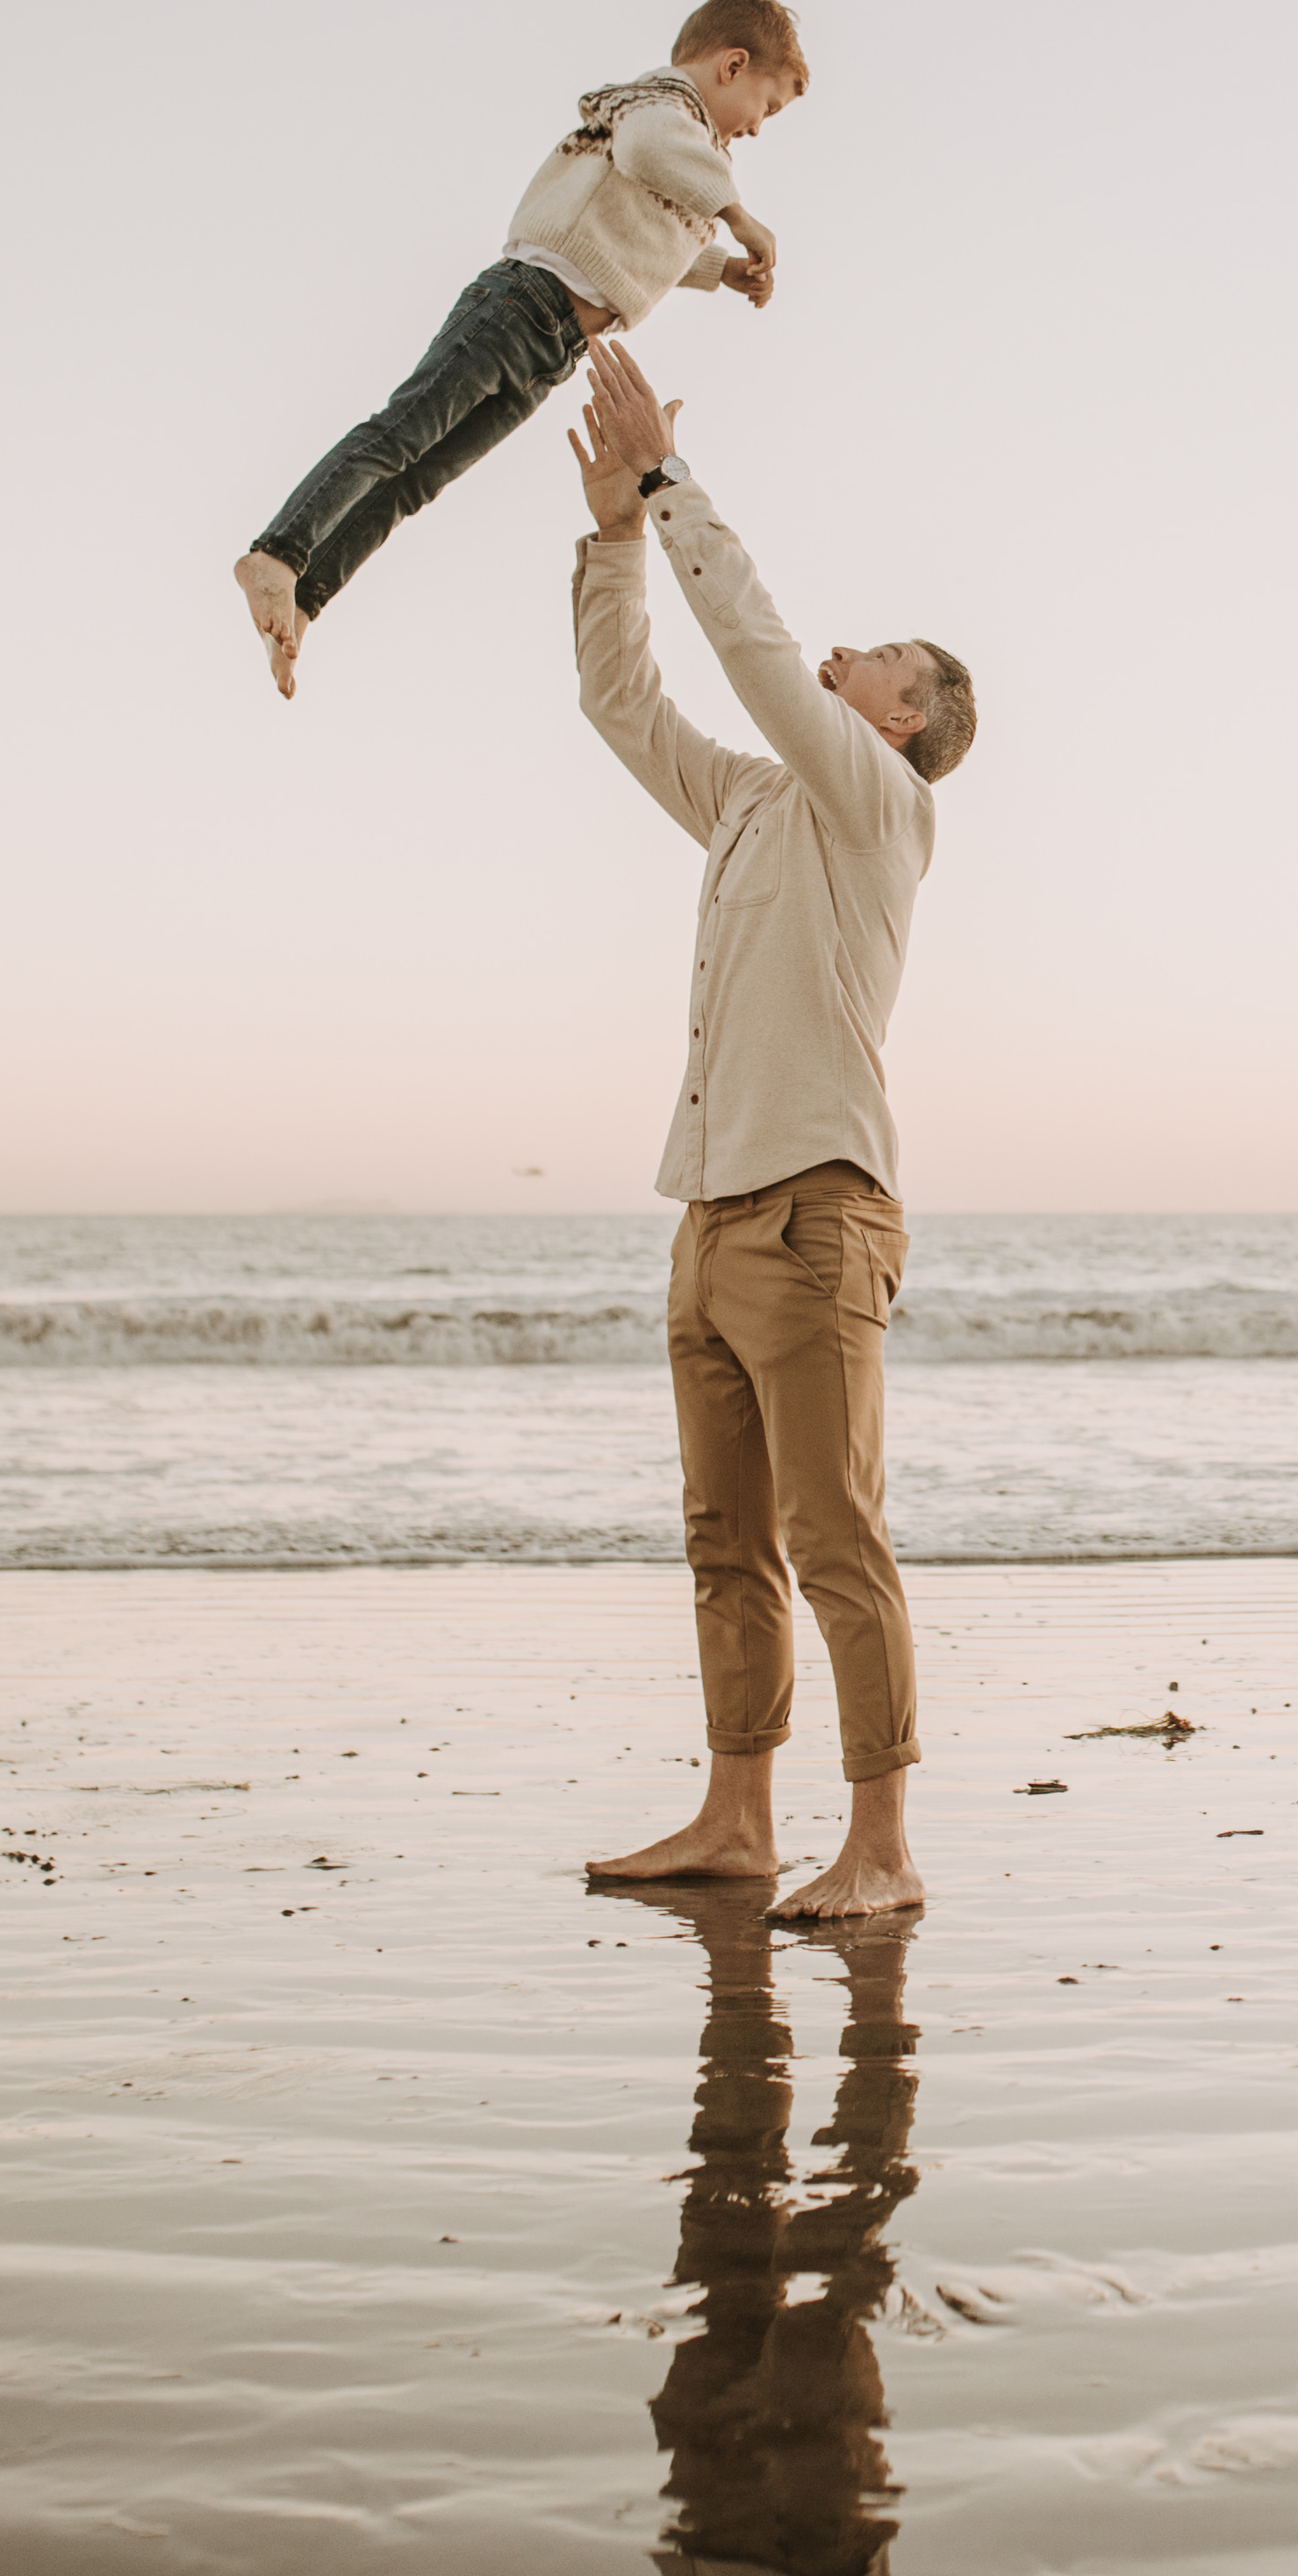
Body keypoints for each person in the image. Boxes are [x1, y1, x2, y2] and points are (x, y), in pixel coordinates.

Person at [560, 336, 978, 1923]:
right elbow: (621, 696)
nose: (855, 649)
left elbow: (746, 643)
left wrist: (670, 477)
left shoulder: (885, 806)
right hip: (710, 1218)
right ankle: (738, 1817)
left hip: (818, 1214)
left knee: (832, 1534)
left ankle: (879, 1843)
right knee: (723, 1540)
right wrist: (609, 527)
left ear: (908, 722)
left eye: (892, 656)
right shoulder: (747, 801)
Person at [230, 0, 804, 697]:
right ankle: (277, 551)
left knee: (418, 479)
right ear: (732, 64)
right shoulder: (661, 106)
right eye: (767, 106)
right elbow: (651, 150)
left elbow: (648, 238)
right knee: (399, 438)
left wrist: (722, 270)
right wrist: (738, 217)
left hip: (550, 349)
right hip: (521, 305)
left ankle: (307, 595)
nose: (757, 129)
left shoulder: (689, 150)